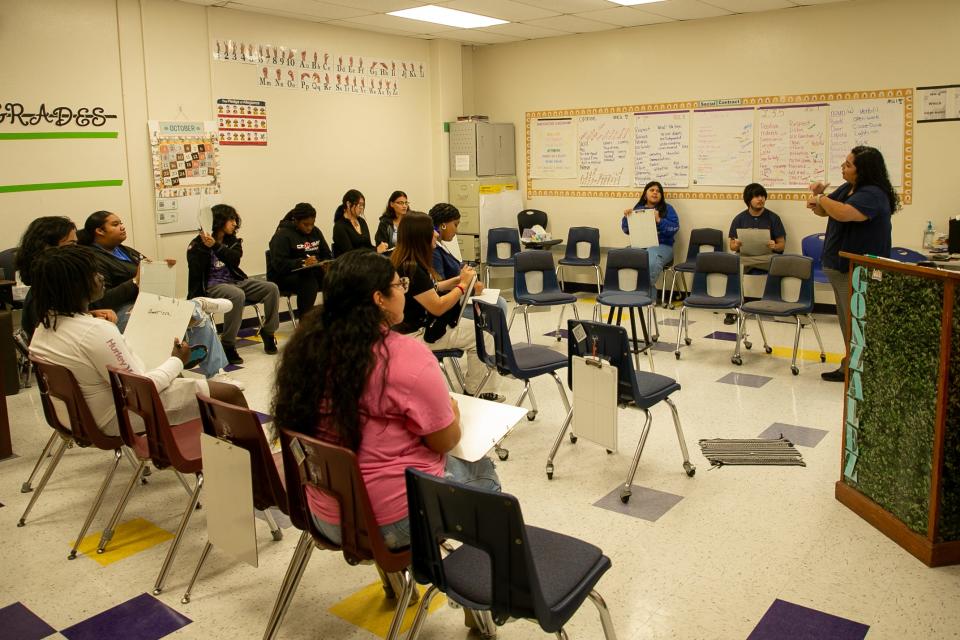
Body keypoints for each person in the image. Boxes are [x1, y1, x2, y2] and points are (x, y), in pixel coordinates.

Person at [271, 250, 499, 552]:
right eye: (399, 285)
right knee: (483, 473)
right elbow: (444, 441)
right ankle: (475, 584)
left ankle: (402, 584)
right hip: (389, 522)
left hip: (323, 512)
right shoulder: (405, 356)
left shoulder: (305, 348)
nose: (404, 291)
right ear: (379, 298)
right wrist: (453, 414)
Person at [28, 245, 248, 437]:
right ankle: (254, 464)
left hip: (77, 417)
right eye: (94, 273)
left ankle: (195, 308)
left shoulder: (44, 326)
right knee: (229, 394)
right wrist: (177, 361)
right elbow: (143, 388)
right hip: (120, 414)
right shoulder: (94, 330)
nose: (101, 277)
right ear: (75, 285)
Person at [77, 211, 233, 381]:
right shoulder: (92, 258)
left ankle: (216, 373)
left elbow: (148, 268)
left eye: (121, 222)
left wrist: (162, 267)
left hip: (146, 303)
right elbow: (102, 299)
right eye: (115, 224)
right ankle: (196, 308)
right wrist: (135, 282)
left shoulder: (125, 251)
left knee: (199, 318)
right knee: (194, 315)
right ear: (99, 231)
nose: (122, 226)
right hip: (118, 312)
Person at [808, 145, 897, 382]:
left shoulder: (873, 194)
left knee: (856, 321)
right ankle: (851, 364)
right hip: (838, 267)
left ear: (863, 170)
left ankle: (859, 368)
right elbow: (821, 211)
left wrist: (821, 199)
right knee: (847, 319)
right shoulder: (849, 188)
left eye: (848, 165)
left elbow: (844, 213)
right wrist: (816, 197)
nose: (843, 168)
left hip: (858, 270)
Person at [391, 212, 498, 400]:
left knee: (479, 329)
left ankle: (475, 390)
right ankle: (477, 392)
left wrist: (460, 278)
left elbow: (432, 288)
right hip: (418, 334)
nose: (435, 234)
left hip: (415, 328)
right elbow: (437, 306)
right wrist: (462, 285)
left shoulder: (407, 263)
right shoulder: (413, 269)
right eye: (431, 231)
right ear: (421, 237)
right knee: (484, 333)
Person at [187, 204, 279, 364]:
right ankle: (228, 344)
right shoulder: (196, 244)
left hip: (236, 281)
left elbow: (234, 260)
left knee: (271, 288)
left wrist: (215, 245)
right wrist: (205, 247)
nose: (235, 224)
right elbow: (194, 270)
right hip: (211, 287)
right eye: (231, 219)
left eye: (235, 220)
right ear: (219, 221)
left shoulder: (233, 241)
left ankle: (268, 332)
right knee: (236, 295)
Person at [15, 216, 114, 342]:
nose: (78, 250)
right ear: (48, 249)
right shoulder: (41, 298)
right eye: (72, 244)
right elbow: (59, 338)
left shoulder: (48, 288)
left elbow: (63, 320)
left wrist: (89, 315)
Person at [723, 183, 787, 324]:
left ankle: (777, 308)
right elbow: (732, 246)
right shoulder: (739, 218)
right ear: (748, 199)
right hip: (746, 257)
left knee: (781, 264)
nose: (761, 199)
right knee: (732, 266)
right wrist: (737, 244)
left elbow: (782, 244)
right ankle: (732, 309)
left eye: (763, 196)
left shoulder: (773, 218)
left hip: (767, 257)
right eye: (757, 196)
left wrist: (774, 245)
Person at [267, 202, 332, 318]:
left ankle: (333, 317)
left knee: (335, 277)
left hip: (312, 271)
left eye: (312, 224)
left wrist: (325, 263)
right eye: (305, 224)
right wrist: (302, 263)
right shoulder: (282, 235)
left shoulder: (315, 232)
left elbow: (326, 253)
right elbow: (279, 264)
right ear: (296, 221)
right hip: (285, 276)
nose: (309, 228)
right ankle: (305, 322)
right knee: (309, 281)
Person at [621, 180, 680, 294]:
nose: (655, 193)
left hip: (662, 245)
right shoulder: (638, 209)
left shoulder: (668, 209)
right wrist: (627, 217)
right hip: (640, 244)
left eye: (658, 191)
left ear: (661, 196)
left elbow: (675, 228)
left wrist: (659, 220)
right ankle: (627, 291)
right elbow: (626, 230)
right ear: (645, 194)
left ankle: (646, 293)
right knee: (625, 255)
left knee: (651, 258)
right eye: (652, 190)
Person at [332, 189, 388, 256]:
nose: (361, 208)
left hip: (364, 262)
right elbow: (349, 254)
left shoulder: (362, 221)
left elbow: (368, 246)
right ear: (348, 204)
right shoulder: (339, 226)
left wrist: (380, 248)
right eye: (359, 205)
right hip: (349, 264)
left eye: (363, 205)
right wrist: (376, 250)